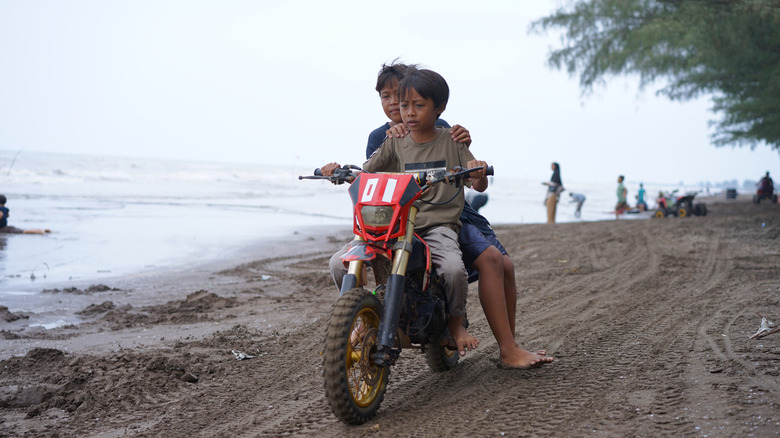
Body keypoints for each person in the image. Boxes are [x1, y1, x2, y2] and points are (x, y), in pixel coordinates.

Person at [342, 62, 551, 368]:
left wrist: (473, 159)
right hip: (401, 219)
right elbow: (367, 175)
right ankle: (359, 320)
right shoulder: (385, 139)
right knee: (346, 261)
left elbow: (473, 179)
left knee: (495, 262)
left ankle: (505, 345)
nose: (402, 108)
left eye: (412, 101)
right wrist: (341, 172)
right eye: (391, 99)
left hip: (448, 214)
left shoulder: (446, 134)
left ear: (436, 107)